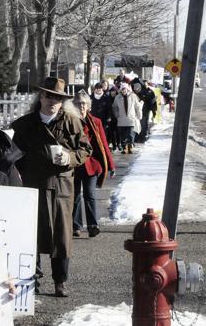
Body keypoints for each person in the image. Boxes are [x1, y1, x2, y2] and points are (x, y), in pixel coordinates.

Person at [11, 77, 92, 298]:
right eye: (48, 95)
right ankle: (32, 280)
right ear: (41, 97)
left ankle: (60, 281)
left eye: (57, 97)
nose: (52, 100)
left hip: (61, 186)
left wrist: (70, 158)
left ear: (63, 100)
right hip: (33, 185)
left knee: (62, 236)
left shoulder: (72, 122)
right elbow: (11, 151)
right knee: (32, 234)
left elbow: (85, 150)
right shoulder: (25, 124)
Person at [72, 91, 115, 238]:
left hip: (92, 165)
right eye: (78, 103)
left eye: (84, 104)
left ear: (89, 106)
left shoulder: (95, 122)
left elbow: (103, 144)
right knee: (75, 195)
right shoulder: (69, 121)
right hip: (74, 164)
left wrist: (111, 164)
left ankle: (92, 225)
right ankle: (76, 226)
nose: (81, 106)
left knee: (89, 194)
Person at [112, 82, 142, 154]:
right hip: (121, 119)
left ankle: (130, 146)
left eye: (125, 89)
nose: (124, 91)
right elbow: (114, 107)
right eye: (122, 89)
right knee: (123, 135)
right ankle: (124, 147)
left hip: (131, 119)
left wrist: (139, 114)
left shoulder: (133, 96)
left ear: (128, 89)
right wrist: (116, 115)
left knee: (131, 134)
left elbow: (137, 106)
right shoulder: (117, 97)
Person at [131, 77, 157, 143]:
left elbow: (152, 102)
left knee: (143, 125)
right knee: (137, 125)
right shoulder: (133, 93)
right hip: (136, 112)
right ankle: (137, 138)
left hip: (145, 111)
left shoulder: (148, 91)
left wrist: (154, 112)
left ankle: (142, 138)